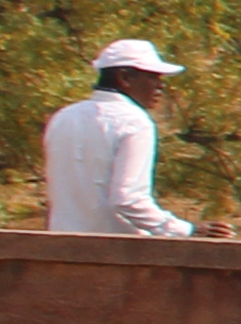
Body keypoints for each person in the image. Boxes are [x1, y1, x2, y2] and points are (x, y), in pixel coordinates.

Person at [40, 40, 200, 238]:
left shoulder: (63, 117)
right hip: (118, 251)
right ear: (124, 77)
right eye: (152, 76)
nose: (160, 85)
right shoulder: (134, 121)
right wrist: (184, 230)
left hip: (61, 245)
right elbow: (127, 199)